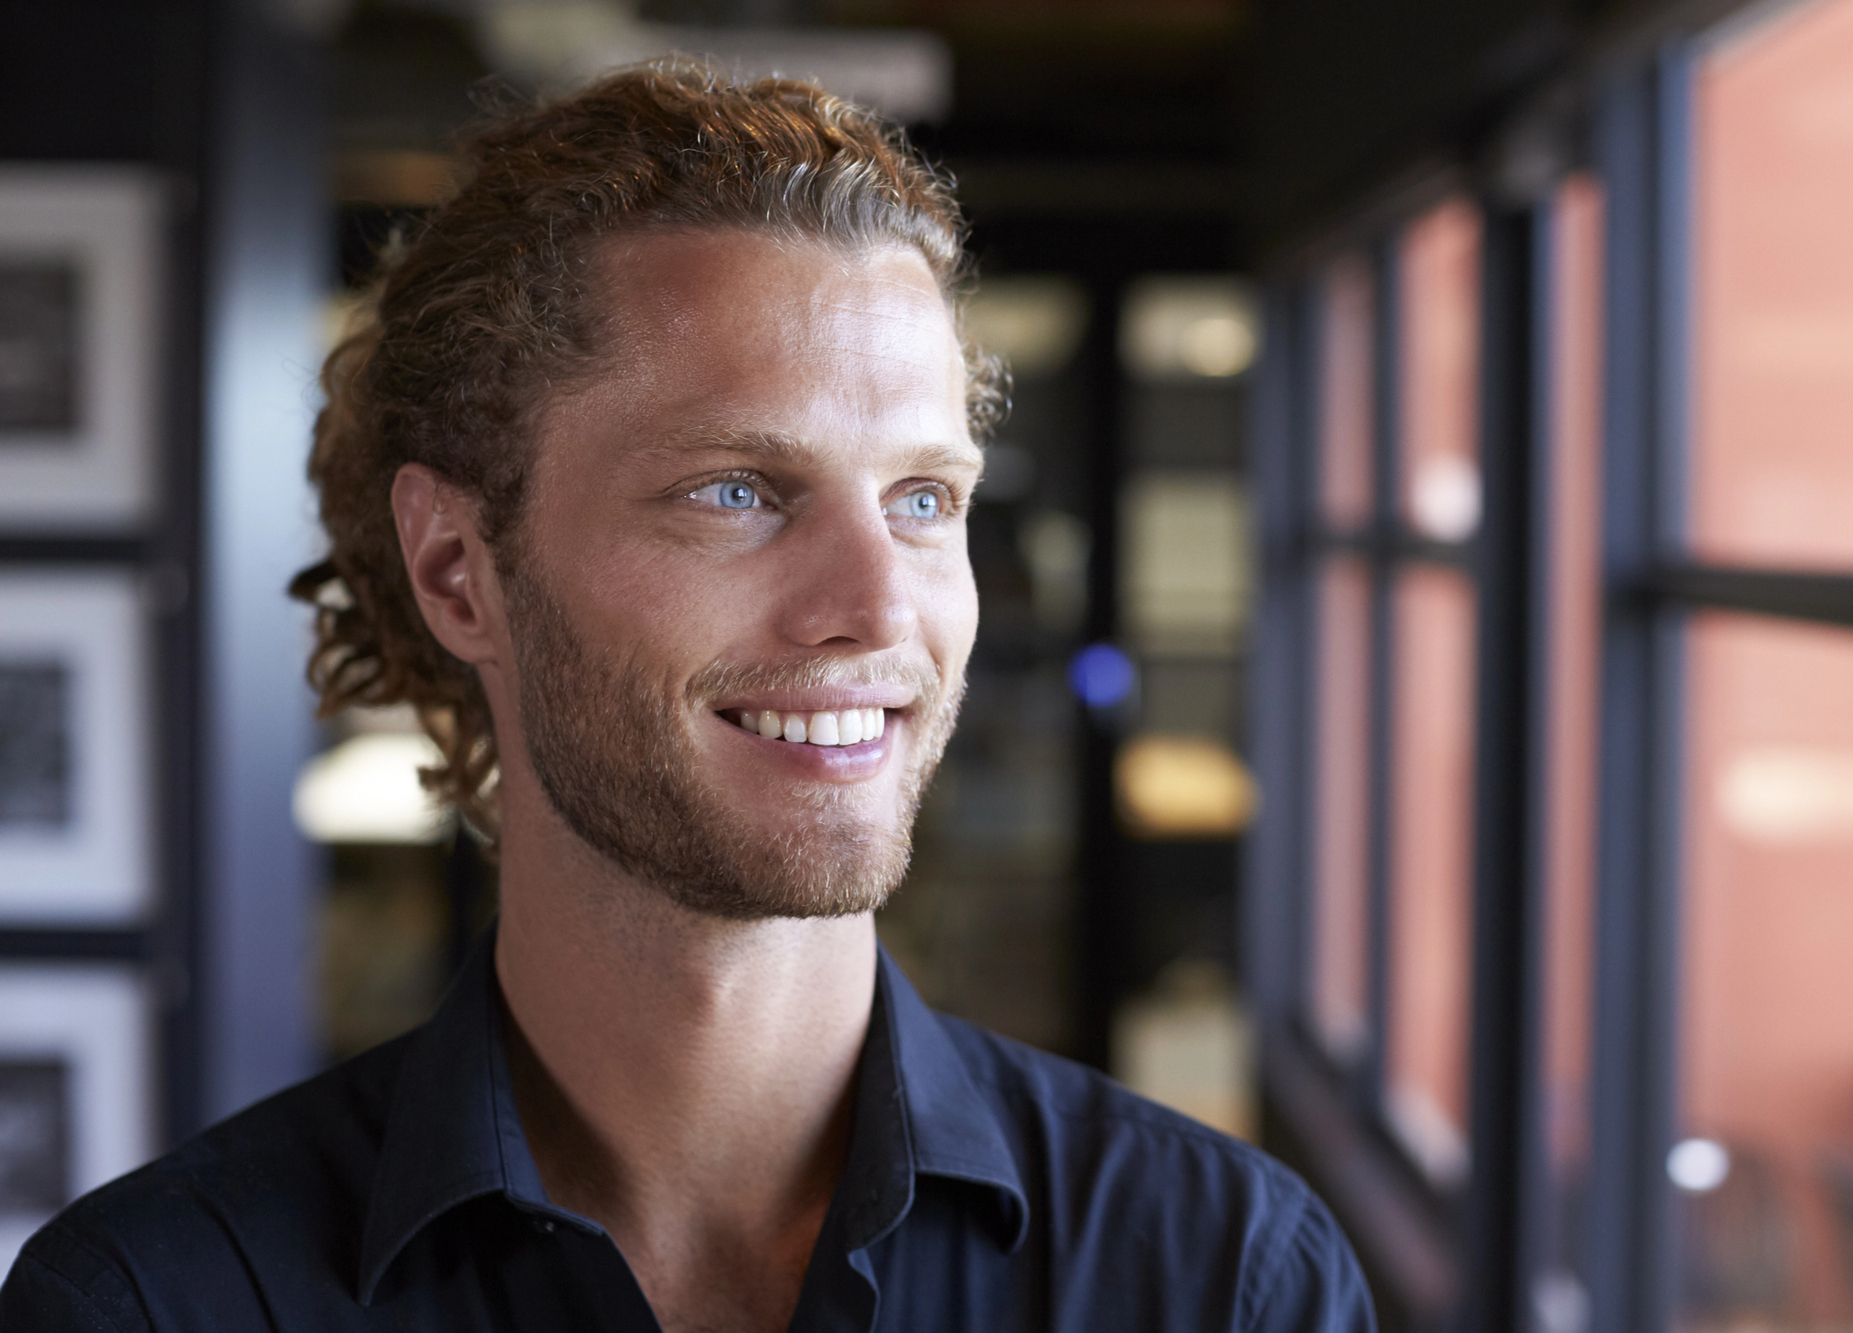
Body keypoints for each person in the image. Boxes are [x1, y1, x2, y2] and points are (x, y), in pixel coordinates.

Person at [0, 65, 1373, 1333]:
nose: (882, 607)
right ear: (458, 569)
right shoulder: (158, 1303)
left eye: (922, 499)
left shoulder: (1219, 1276)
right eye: (737, 492)